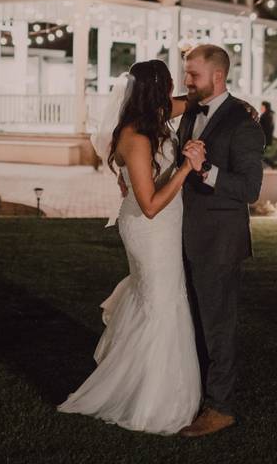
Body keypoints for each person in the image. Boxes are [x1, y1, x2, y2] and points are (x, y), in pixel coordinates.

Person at [59, 60, 204, 434]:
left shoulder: (155, 113)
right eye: (171, 84)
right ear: (159, 89)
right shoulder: (136, 138)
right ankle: (149, 400)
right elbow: (151, 206)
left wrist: (237, 103)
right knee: (160, 305)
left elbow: (190, 102)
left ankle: (150, 383)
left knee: (164, 299)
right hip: (150, 229)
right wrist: (187, 167)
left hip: (166, 228)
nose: (176, 92)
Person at [175, 44, 263, 437]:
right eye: (185, 73)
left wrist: (205, 169)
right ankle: (198, 394)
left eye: (193, 74)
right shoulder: (192, 108)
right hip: (185, 234)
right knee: (194, 321)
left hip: (220, 240)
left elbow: (250, 189)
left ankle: (221, 407)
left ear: (218, 76)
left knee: (218, 325)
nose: (186, 81)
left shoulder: (244, 123)